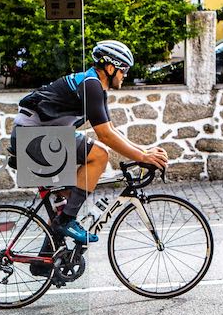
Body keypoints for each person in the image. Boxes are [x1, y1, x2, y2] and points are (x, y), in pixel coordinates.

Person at [9, 39, 169, 246]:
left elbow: (111, 129)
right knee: (100, 154)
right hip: (32, 136)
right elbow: (105, 136)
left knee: (68, 198)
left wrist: (144, 152)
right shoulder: (90, 85)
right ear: (110, 68)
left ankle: (49, 256)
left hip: (37, 135)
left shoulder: (94, 85)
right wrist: (143, 157)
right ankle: (67, 221)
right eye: (124, 70)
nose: (125, 75)